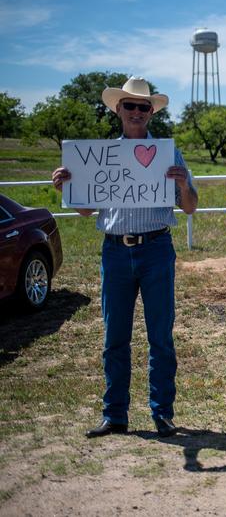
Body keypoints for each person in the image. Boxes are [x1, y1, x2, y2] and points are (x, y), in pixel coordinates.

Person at [51, 77, 198, 438]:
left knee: (160, 335)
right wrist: (67, 186)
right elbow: (86, 210)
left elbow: (190, 206)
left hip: (156, 249)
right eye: (129, 105)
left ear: (151, 113)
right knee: (114, 336)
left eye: (143, 107)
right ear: (117, 109)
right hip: (115, 251)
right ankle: (114, 414)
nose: (136, 112)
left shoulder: (168, 153)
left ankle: (162, 412)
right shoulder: (101, 156)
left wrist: (182, 185)